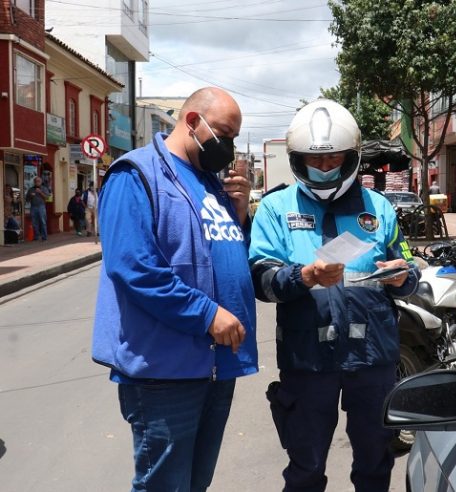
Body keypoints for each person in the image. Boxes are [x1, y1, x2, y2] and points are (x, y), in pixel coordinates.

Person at [91, 87, 258, 491]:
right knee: (164, 485)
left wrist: (240, 217)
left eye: (234, 136)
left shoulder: (210, 184)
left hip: (216, 367)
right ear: (192, 121)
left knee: (195, 483)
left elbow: (224, 254)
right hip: (164, 372)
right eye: (223, 132)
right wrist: (206, 314)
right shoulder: (136, 174)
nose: (228, 146)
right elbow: (133, 267)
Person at [249, 99, 419, 492]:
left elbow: (408, 268)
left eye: (333, 160)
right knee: (305, 468)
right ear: (297, 159)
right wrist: (303, 276)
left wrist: (402, 276)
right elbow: (260, 279)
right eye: (313, 160)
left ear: (351, 158)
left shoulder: (379, 208)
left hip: (373, 357)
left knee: (376, 462)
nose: (324, 168)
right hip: (308, 359)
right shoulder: (275, 207)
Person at [25, 176, 49, 240]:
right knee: (34, 222)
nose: (37, 182)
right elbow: (27, 199)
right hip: (33, 207)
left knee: (43, 221)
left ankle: (44, 236)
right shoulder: (31, 189)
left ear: (41, 182)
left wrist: (40, 192)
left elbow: (47, 198)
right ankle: (36, 236)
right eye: (36, 181)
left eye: (38, 181)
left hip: (41, 206)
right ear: (34, 182)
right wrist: (30, 196)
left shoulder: (44, 188)